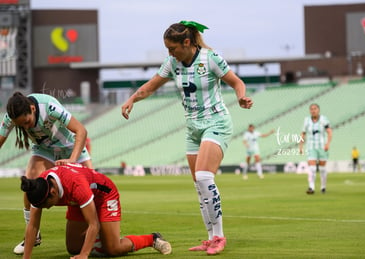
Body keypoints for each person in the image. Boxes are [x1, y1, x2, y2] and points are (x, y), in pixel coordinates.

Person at [121, 20, 253, 255]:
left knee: (204, 177)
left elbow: (236, 82)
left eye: (172, 49)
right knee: (199, 186)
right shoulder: (173, 63)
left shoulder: (211, 58)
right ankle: (210, 238)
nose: (170, 54)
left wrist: (242, 97)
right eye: (167, 50)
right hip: (193, 129)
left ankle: (220, 236)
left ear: (187, 42)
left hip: (216, 122)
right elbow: (151, 86)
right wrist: (132, 99)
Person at [0, 92, 93, 255]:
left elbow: (81, 131)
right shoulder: (11, 117)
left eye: (27, 121)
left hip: (70, 147)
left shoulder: (48, 106)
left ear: (32, 108)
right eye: (21, 125)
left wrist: (72, 160)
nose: (26, 127)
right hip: (44, 150)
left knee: (93, 188)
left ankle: (100, 234)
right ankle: (33, 235)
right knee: (31, 182)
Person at [20, 163, 172, 258]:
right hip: (78, 201)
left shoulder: (76, 185)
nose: (45, 209)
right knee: (73, 249)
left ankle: (152, 238)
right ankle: (101, 239)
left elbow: (93, 224)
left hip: (104, 196)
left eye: (46, 206)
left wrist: (84, 255)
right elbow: (32, 226)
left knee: (113, 249)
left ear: (53, 193)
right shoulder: (39, 187)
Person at [299, 103, 332, 194]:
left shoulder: (323, 119)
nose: (313, 110)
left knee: (322, 168)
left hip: (322, 147)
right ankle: (311, 187)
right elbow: (303, 133)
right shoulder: (306, 120)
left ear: (318, 110)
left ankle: (323, 187)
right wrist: (301, 146)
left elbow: (329, 132)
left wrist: (328, 144)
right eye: (311, 109)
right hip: (311, 147)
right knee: (312, 168)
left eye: (315, 109)